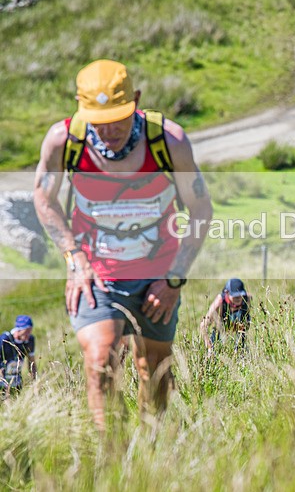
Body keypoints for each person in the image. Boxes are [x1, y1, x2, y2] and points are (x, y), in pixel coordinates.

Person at [33, 59, 213, 430]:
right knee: (100, 362)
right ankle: (113, 464)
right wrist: (73, 257)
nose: (110, 129)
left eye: (119, 116)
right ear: (81, 109)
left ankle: (152, 450)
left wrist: (175, 279)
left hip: (158, 274)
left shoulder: (168, 140)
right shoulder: (63, 142)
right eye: (99, 119)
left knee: (154, 370)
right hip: (96, 274)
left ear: (138, 100)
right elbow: (43, 198)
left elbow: (200, 209)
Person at [200, 278, 251, 354]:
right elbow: (203, 326)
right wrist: (209, 347)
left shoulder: (247, 299)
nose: (238, 298)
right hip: (220, 329)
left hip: (239, 328)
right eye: (235, 296)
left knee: (242, 351)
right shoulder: (219, 303)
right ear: (227, 293)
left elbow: (246, 321)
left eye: (240, 295)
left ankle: (240, 351)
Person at [0, 315, 37, 397]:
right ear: (19, 329)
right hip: (3, 382)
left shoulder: (30, 340)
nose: (28, 334)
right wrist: (4, 384)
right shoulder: (4, 340)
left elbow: (32, 363)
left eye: (30, 331)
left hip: (17, 381)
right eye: (26, 331)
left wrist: (35, 382)